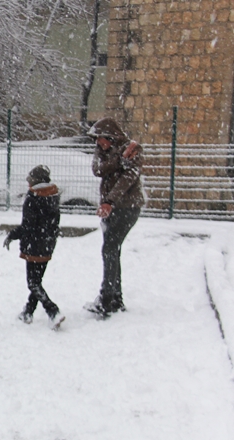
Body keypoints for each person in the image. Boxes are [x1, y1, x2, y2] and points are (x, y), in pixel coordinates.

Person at [85, 117, 145, 317]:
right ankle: (115, 299)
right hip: (110, 207)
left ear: (111, 136)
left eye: (100, 139)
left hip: (127, 207)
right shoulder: (107, 152)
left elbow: (126, 180)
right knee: (111, 251)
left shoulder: (133, 149)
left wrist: (109, 201)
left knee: (110, 249)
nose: (98, 143)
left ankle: (107, 299)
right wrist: (119, 160)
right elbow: (97, 170)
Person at [4, 165, 65, 330]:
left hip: (34, 245)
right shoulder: (53, 196)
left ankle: (52, 310)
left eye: (30, 178)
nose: (28, 181)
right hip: (48, 244)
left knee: (32, 283)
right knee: (37, 281)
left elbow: (28, 226)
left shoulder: (33, 198)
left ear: (36, 180)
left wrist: (12, 235)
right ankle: (28, 312)